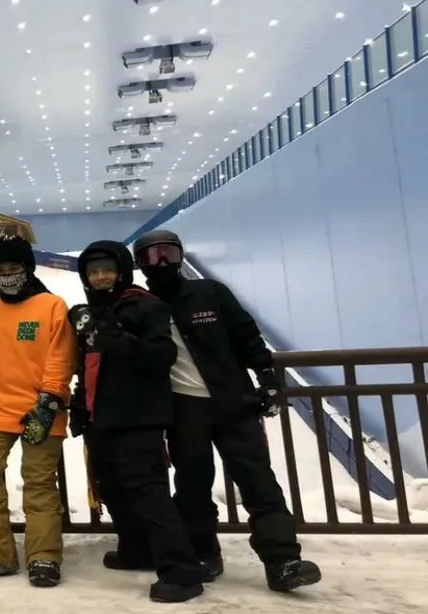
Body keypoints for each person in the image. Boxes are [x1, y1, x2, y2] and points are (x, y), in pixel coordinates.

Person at [133, 229, 322, 592]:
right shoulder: (144, 306)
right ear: (140, 264)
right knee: (192, 484)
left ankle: (282, 559)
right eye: (151, 256)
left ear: (180, 256)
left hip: (233, 402)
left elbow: (245, 333)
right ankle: (204, 552)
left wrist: (265, 374)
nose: (160, 263)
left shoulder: (209, 293)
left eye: (168, 254)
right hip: (183, 409)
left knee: (257, 479)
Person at [67, 241, 204, 603]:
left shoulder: (146, 305)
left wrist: (122, 341)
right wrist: (82, 406)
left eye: (107, 270)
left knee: (149, 494)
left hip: (137, 419)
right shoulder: (95, 310)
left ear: (122, 271)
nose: (100, 277)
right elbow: (88, 367)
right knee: (113, 490)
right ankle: (136, 549)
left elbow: (163, 355)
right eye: (93, 272)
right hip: (102, 418)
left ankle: (182, 572)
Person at [0, 235, 74, 588]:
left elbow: (61, 356)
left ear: (28, 269)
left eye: (14, 268)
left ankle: (44, 556)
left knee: (39, 484)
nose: (7, 275)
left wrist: (49, 400)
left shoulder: (52, 306)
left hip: (41, 407)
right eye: (0, 270)